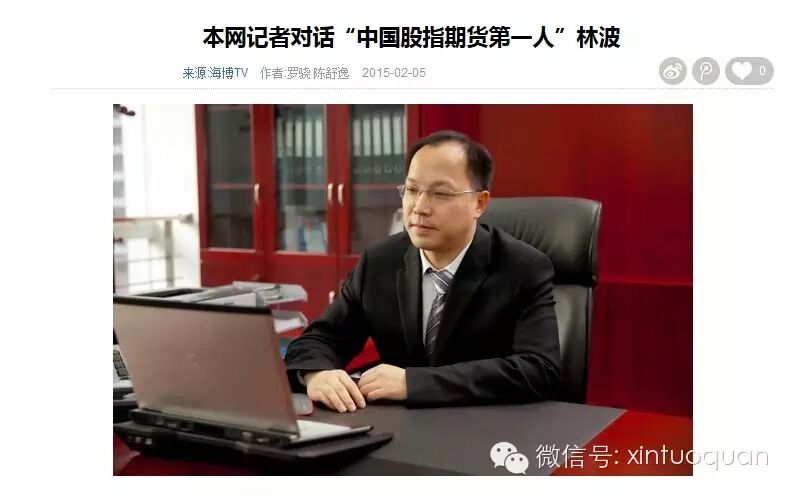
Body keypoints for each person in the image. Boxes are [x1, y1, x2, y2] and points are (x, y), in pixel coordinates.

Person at [284, 130, 561, 411]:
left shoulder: (522, 268)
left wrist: (414, 383)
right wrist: (316, 374)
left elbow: (539, 369)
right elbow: (320, 339)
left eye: (440, 193)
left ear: (479, 203)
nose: (419, 207)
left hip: (486, 428)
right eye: (412, 190)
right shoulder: (380, 262)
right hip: (400, 428)